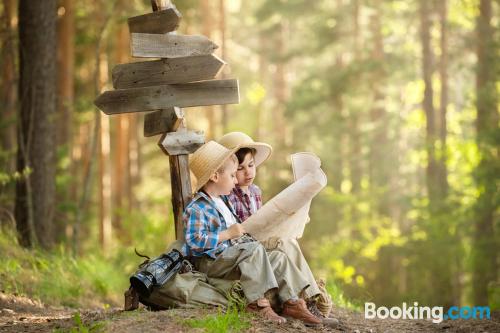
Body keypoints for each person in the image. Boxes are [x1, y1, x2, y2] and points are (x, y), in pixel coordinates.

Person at [182, 141, 321, 325]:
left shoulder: (223, 202)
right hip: (212, 261)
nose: (235, 180)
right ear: (215, 176)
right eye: (232, 175)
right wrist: (228, 234)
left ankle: (293, 302)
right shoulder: (198, 207)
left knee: (278, 258)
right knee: (254, 249)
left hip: (233, 256)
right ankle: (258, 304)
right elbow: (194, 241)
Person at [217, 132, 337, 325]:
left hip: (259, 240)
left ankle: (307, 301)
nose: (248, 173)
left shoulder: (255, 191)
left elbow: (263, 219)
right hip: (245, 248)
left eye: (251, 165)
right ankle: (304, 301)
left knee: (288, 240)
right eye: (239, 169)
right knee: (284, 243)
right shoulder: (226, 194)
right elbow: (237, 229)